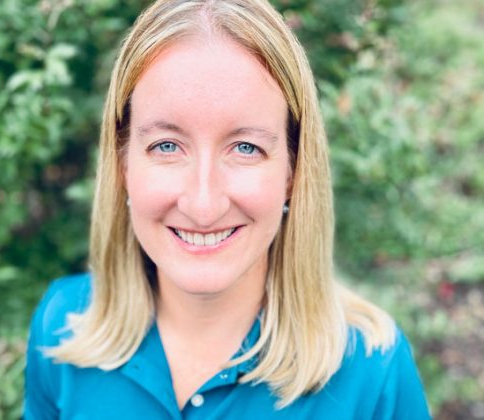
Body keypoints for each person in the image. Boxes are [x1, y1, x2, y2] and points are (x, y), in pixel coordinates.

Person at [24, 0, 431, 418]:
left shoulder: (371, 369)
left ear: (293, 169)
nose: (203, 204)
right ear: (123, 162)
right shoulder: (63, 326)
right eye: (167, 145)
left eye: (245, 148)